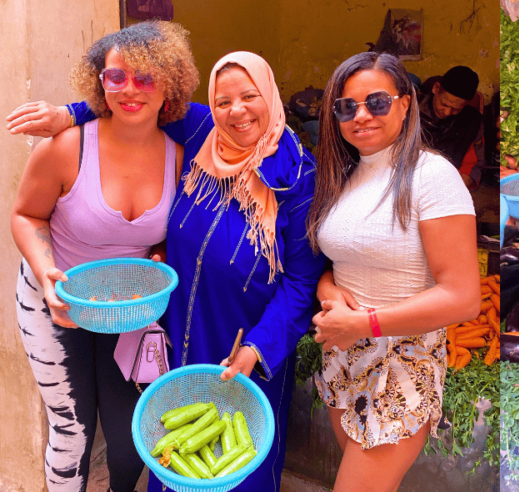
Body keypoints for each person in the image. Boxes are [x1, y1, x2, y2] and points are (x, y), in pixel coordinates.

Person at [8, 51, 326, 492]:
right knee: (174, 445)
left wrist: (257, 348)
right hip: (177, 329)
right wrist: (69, 113)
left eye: (249, 96)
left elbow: (300, 283)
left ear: (269, 96)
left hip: (246, 338)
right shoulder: (201, 132)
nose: (236, 112)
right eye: (223, 101)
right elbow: (133, 104)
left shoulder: (297, 177)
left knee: (235, 457)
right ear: (209, 105)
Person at [9, 21, 195, 492]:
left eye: (146, 77)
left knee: (131, 444)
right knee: (72, 435)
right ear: (99, 82)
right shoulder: (67, 146)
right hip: (55, 305)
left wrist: (158, 252)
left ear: (169, 83)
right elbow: (27, 216)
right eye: (116, 77)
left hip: (128, 313)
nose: (130, 90)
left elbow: (176, 231)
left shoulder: (179, 156)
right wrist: (45, 273)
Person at [306, 52, 480, 492]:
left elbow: (463, 296)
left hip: (401, 363)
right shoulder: (343, 174)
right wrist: (329, 291)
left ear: (406, 103)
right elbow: (336, 262)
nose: (361, 115)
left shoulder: (432, 176)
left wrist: (363, 323)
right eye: (347, 107)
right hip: (344, 358)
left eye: (377, 102)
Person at [418, 65, 485, 188]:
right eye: (444, 104)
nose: (447, 112)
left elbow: (471, 166)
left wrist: (454, 190)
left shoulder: (472, 122)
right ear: (436, 88)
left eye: (456, 109)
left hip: (449, 186)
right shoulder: (410, 112)